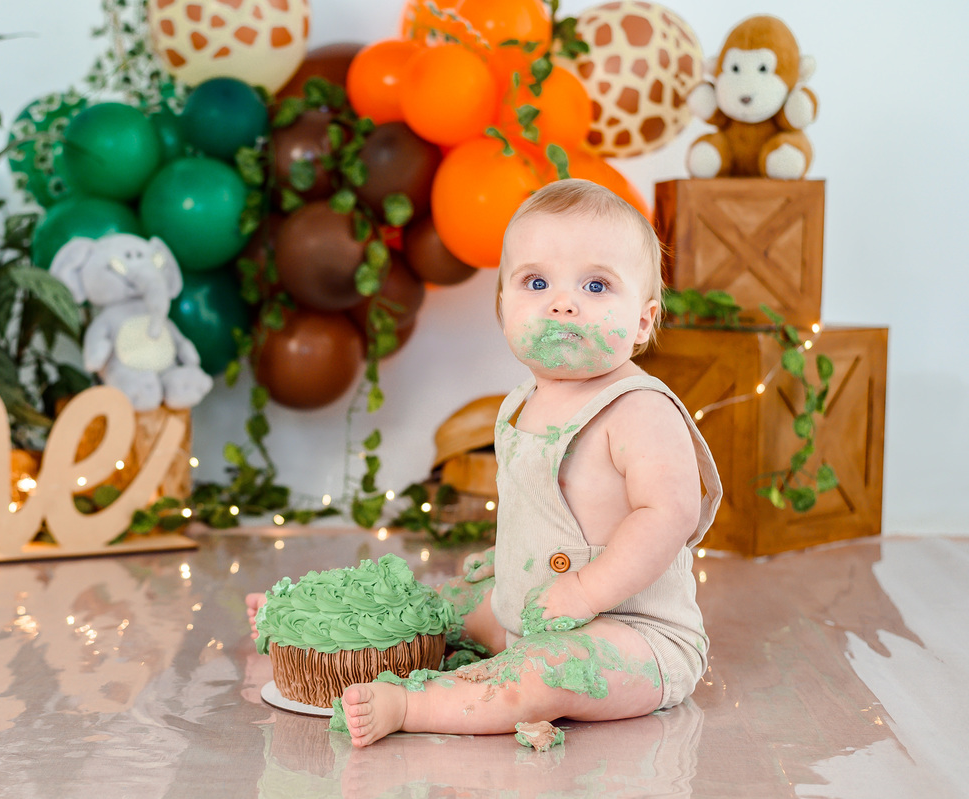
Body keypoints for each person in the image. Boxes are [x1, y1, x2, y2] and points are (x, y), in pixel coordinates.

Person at [249, 179, 721, 747]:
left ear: (643, 322)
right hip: (529, 608)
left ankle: (411, 705)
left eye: (596, 285)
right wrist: (507, 558)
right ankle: (312, 628)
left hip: (633, 636)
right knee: (439, 605)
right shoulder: (522, 401)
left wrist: (587, 592)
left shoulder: (639, 410)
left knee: (546, 673)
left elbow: (668, 514)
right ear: (504, 308)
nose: (562, 302)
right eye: (536, 282)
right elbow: (541, 509)